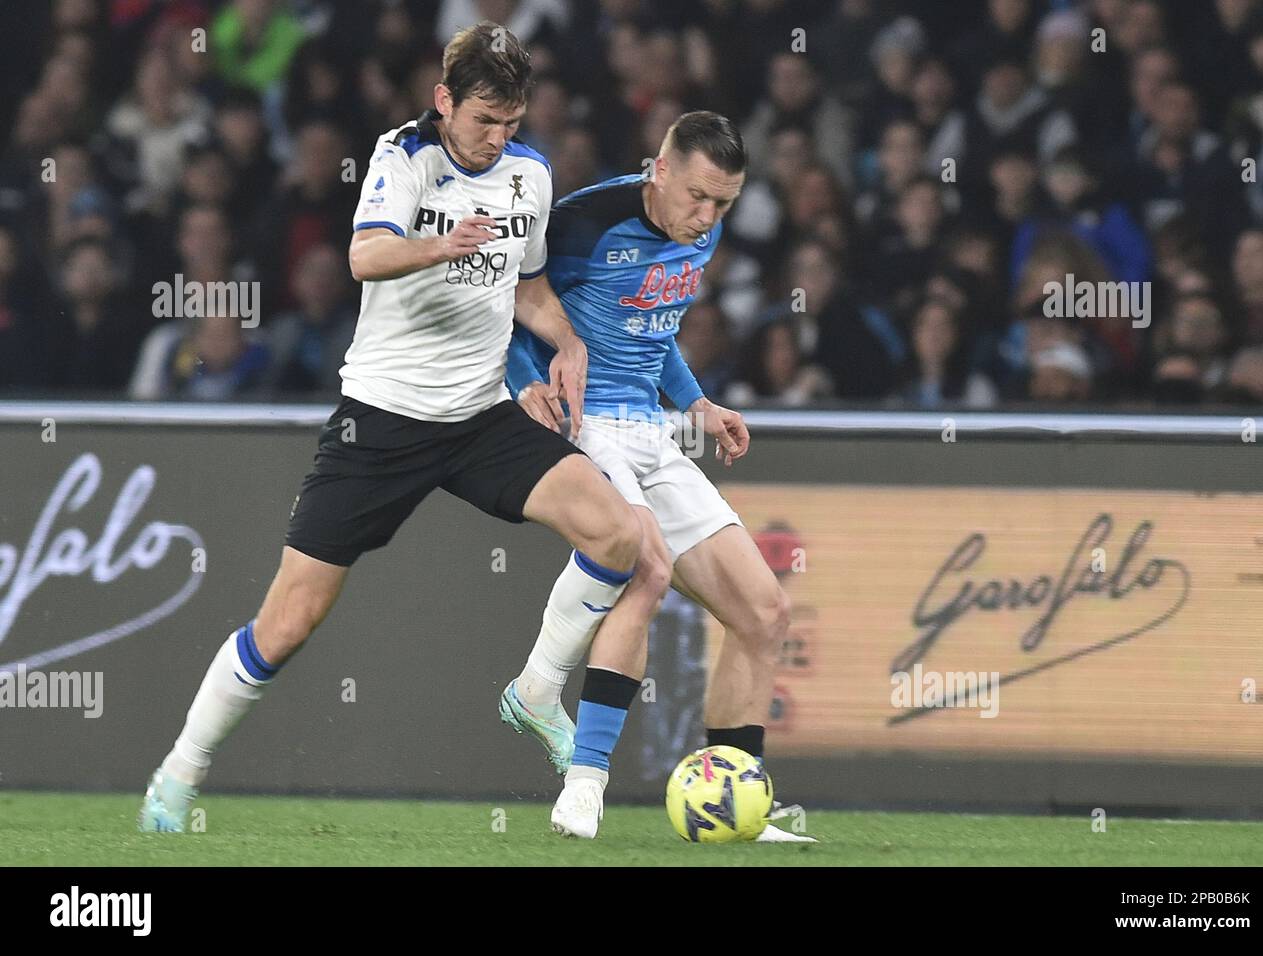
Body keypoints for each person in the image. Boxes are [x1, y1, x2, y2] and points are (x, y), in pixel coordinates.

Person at [138, 22, 644, 832]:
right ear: (444, 101)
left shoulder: (530, 175)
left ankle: (536, 691)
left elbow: (530, 284)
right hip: (380, 420)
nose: (496, 138)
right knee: (290, 621)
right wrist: (440, 246)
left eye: (511, 122)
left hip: (480, 414)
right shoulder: (403, 156)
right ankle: (178, 772)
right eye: (483, 119)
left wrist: (570, 343)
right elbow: (365, 256)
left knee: (618, 535)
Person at [503, 111, 811, 842]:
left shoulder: (699, 229)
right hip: (587, 423)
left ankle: (734, 798)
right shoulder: (582, 223)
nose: (707, 218)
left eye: (724, 205)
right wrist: (524, 384)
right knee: (648, 571)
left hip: (654, 430)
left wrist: (697, 402)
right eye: (698, 196)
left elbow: (655, 327)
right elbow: (511, 313)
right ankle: (584, 783)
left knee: (763, 612)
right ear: (660, 170)